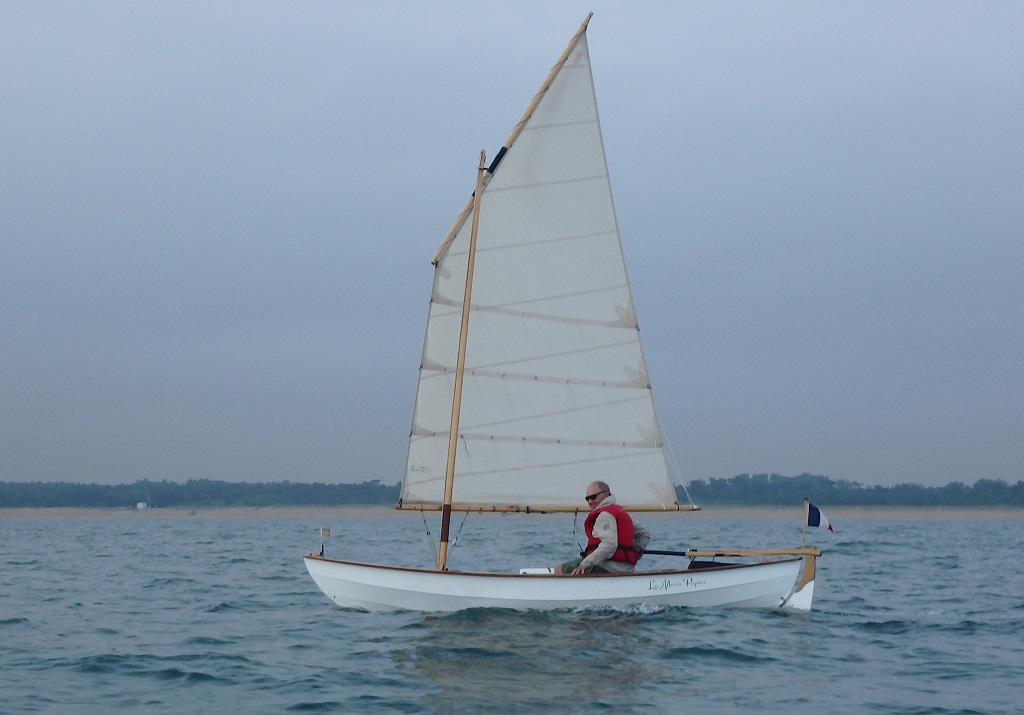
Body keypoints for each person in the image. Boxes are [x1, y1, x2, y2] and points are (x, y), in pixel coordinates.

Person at [553, 481, 651, 575]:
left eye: (593, 497)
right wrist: (638, 549)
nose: (590, 502)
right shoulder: (622, 513)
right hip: (627, 569)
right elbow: (644, 534)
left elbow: (609, 545)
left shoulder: (605, 515)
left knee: (558, 570)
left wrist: (585, 564)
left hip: (607, 568)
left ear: (605, 494)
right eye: (587, 499)